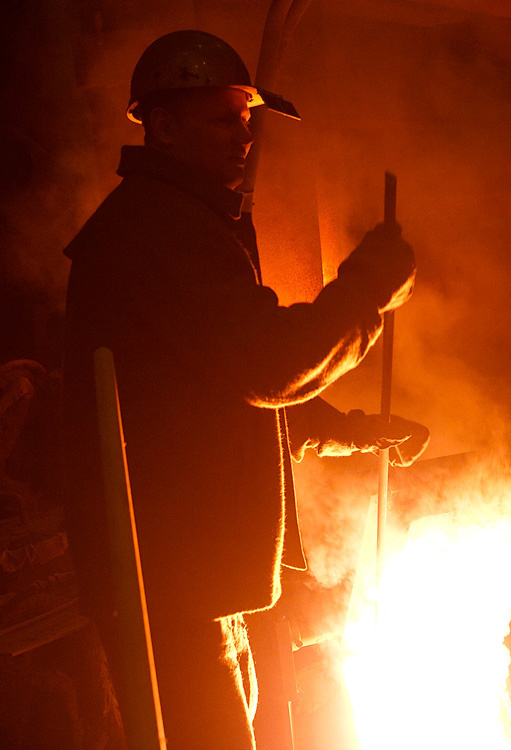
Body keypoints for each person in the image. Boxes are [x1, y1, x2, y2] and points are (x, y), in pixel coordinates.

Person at [61, 30, 428, 750]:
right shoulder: (157, 229)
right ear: (162, 126)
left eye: (248, 119)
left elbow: (211, 394)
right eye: (224, 119)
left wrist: (355, 429)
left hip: (187, 581)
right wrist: (367, 290)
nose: (246, 137)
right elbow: (265, 365)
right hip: (166, 586)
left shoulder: (175, 221)